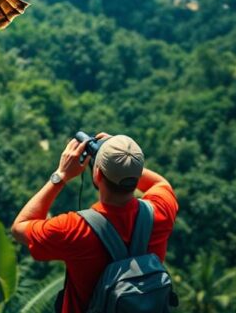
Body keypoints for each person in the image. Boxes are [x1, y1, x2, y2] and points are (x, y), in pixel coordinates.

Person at [11, 133, 178, 313]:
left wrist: (61, 175)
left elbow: (19, 227)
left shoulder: (73, 229)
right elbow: (160, 183)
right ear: (137, 175)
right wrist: (125, 157)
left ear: (97, 173)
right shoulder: (161, 211)